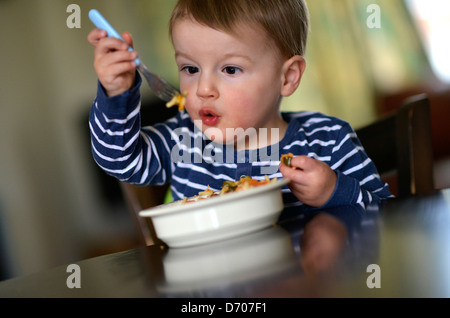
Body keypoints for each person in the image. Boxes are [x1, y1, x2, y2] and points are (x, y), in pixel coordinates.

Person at [87, 0, 392, 216]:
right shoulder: (183, 139)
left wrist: (335, 192)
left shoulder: (329, 140)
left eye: (230, 70)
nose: (203, 89)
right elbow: (118, 159)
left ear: (287, 77)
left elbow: (390, 217)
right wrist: (116, 95)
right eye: (190, 69)